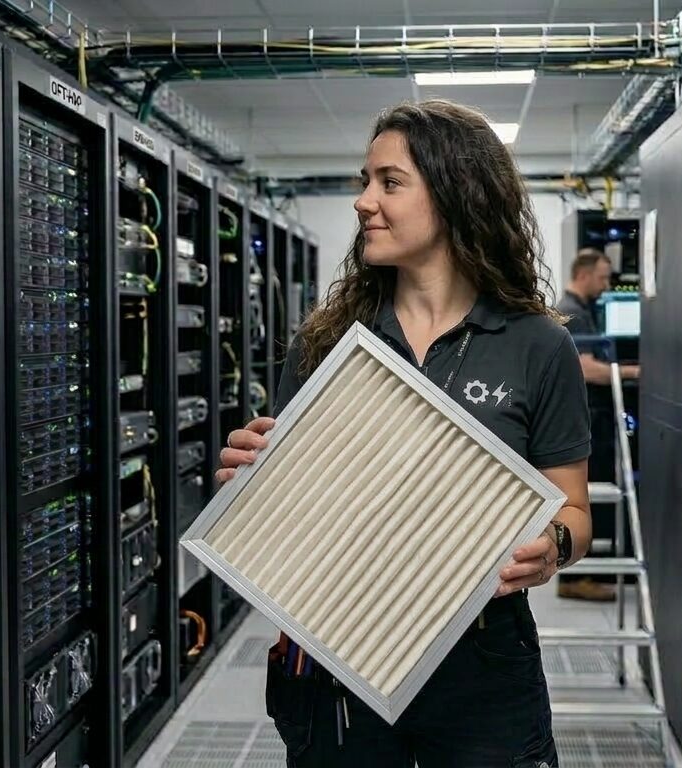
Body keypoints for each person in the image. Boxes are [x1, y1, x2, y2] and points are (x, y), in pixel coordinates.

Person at [217, 100, 592, 768]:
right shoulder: (326, 344)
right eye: (366, 181)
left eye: (389, 182)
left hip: (483, 661)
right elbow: (291, 513)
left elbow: (574, 508)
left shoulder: (538, 344)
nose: (364, 201)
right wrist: (250, 487)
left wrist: (555, 545)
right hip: (339, 651)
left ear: (455, 195)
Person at [555, 249, 639, 602]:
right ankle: (578, 578)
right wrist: (635, 373)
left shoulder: (580, 309)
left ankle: (588, 571)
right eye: (603, 277)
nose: (607, 285)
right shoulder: (573, 311)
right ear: (584, 274)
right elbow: (586, 368)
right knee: (583, 498)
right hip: (587, 417)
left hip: (591, 416)